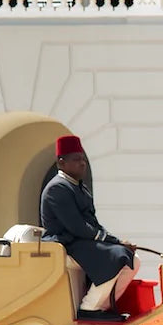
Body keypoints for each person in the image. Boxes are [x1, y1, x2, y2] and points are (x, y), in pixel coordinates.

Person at [40, 134, 138, 315]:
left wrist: (115, 240)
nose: (83, 163)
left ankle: (103, 306)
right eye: (76, 160)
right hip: (64, 242)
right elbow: (76, 226)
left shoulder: (79, 187)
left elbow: (93, 224)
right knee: (117, 257)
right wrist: (113, 242)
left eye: (83, 159)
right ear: (61, 163)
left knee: (133, 259)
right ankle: (89, 307)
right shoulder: (57, 188)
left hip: (80, 241)